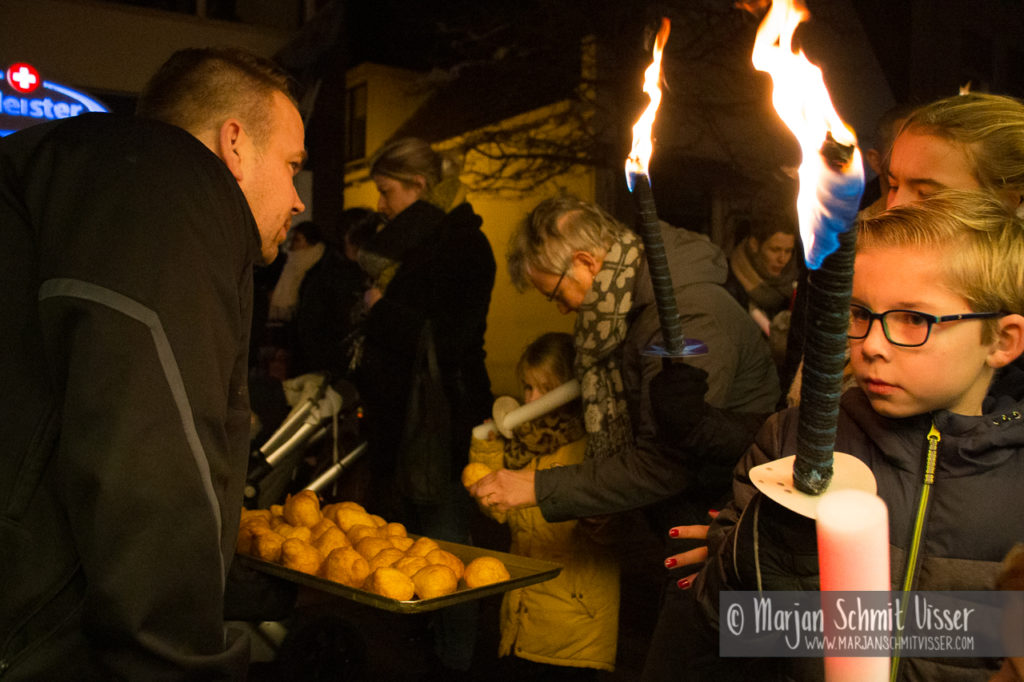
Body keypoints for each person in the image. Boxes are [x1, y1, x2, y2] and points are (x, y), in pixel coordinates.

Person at [0, 47, 306, 680]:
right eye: (293, 165)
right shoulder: (170, 185)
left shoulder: (77, 181)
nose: (299, 199)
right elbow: (152, 451)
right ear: (234, 144)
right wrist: (178, 659)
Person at [691, 190, 1024, 681]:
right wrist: (772, 553)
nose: (869, 346)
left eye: (914, 319)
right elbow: (726, 625)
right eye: (859, 314)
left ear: (1002, 340)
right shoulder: (792, 440)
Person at [353, 136, 495, 672]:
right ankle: (418, 650)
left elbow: (451, 338)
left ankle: (452, 658)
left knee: (444, 542)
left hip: (439, 418)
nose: (381, 204)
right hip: (405, 418)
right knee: (408, 538)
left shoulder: (461, 243)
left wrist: (381, 309)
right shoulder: (408, 241)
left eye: (387, 191)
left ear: (418, 186)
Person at [470, 332, 619, 679]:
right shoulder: (527, 447)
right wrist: (487, 449)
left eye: (546, 389)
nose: (533, 400)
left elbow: (610, 529)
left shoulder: (593, 448)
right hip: (524, 615)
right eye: (528, 388)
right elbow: (497, 510)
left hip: (574, 625)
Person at [724, 215, 798, 371]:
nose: (782, 259)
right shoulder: (729, 285)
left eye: (788, 251)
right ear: (754, 245)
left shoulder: (793, 284)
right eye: (775, 249)